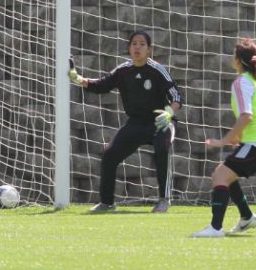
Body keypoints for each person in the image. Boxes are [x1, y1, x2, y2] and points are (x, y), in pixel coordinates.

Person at [69, 31, 183, 213]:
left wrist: (169, 113)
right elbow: (101, 85)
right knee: (109, 154)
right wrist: (77, 78)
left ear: (149, 49)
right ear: (129, 48)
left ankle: (164, 200)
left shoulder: (158, 70)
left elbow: (177, 97)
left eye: (142, 44)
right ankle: (107, 203)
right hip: (136, 123)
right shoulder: (123, 71)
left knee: (162, 149)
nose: (137, 47)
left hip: (160, 123)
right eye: (134, 44)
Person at [191, 38, 256, 237]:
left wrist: (223, 140)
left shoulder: (242, 82)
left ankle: (215, 228)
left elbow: (247, 116)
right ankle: (247, 217)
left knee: (220, 176)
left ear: (238, 60)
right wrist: (238, 138)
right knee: (224, 174)